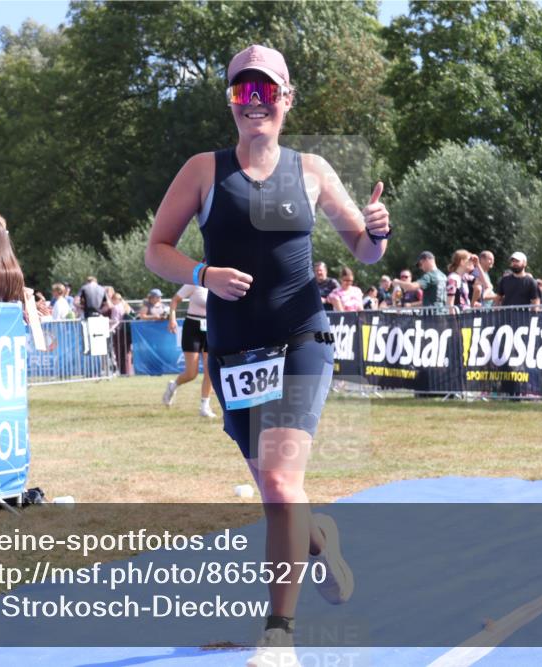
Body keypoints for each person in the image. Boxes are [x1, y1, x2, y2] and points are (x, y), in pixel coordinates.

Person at [144, 43, 389, 666]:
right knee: (277, 492)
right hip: (234, 351)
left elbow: (362, 250)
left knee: (281, 481)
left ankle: (279, 635)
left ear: (286, 98)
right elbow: (156, 250)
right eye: (241, 91)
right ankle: (319, 537)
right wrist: (203, 272)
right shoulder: (204, 169)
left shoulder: (312, 169)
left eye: (266, 90)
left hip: (302, 339)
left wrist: (378, 232)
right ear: (231, 102)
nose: (255, 102)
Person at [162, 283, 217, 418]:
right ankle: (173, 386)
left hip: (211, 326)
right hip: (192, 327)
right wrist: (172, 320)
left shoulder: (218, 285)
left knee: (210, 369)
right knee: (191, 373)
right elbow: (175, 300)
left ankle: (204, 406)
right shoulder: (194, 283)